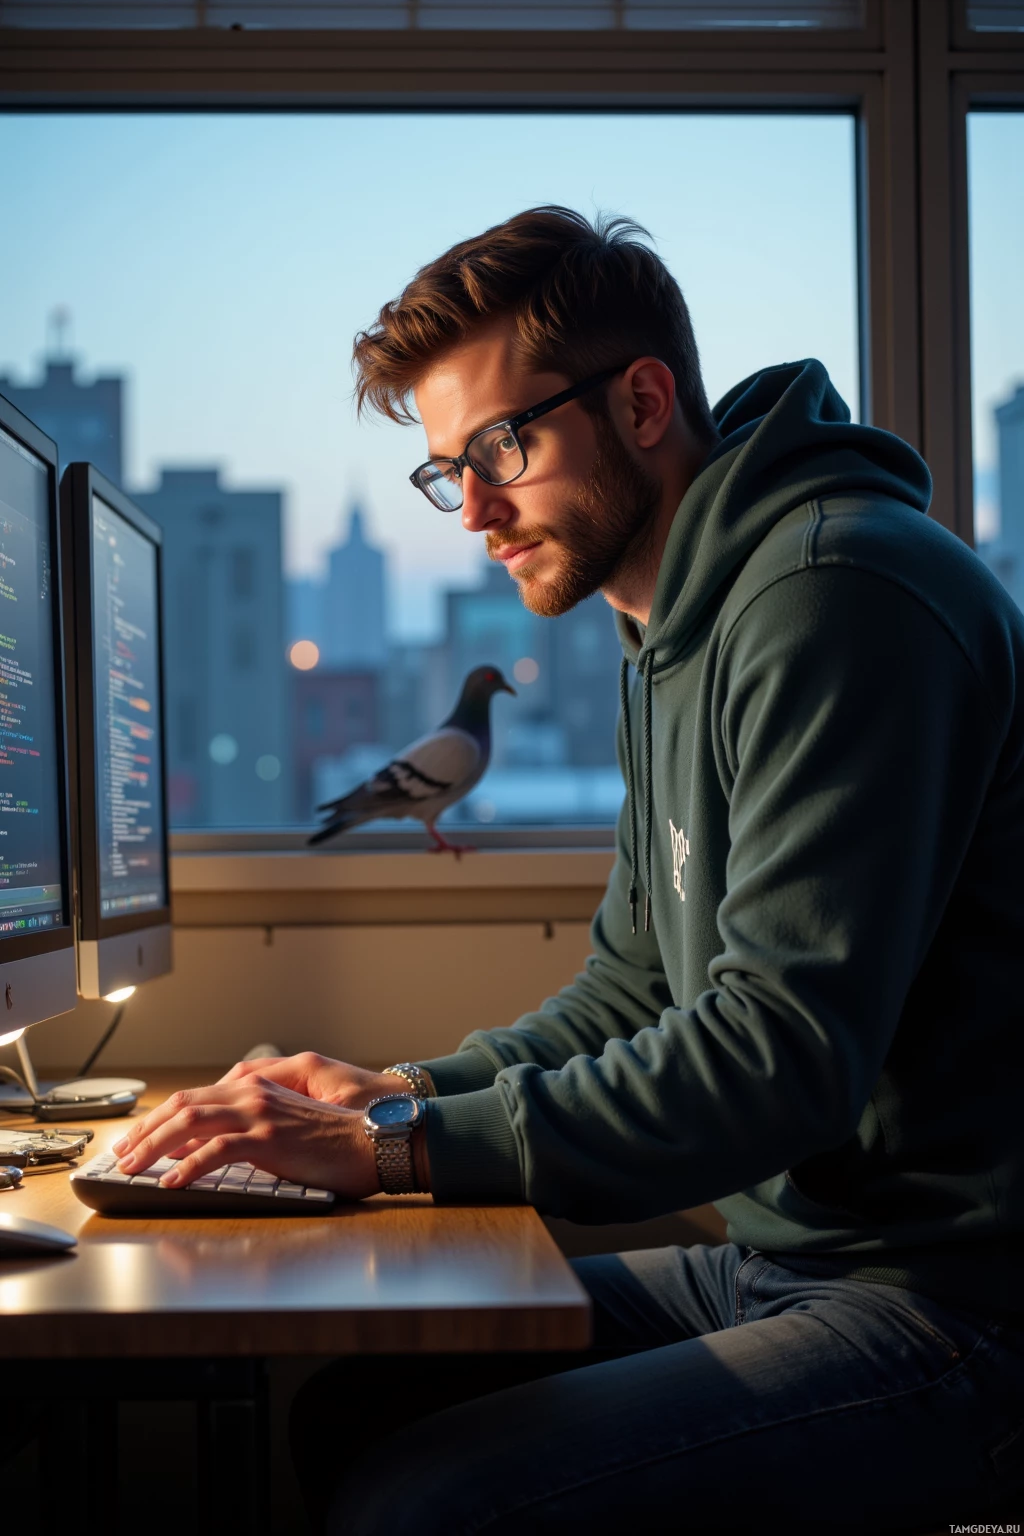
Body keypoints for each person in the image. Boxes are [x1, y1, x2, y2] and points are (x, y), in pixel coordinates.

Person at [112, 208, 1024, 1532]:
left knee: (427, 1505)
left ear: (643, 399)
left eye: (503, 449)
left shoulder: (836, 595)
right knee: (362, 1399)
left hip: (955, 1307)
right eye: (447, 472)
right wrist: (397, 1090)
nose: (474, 511)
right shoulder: (666, 626)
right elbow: (633, 989)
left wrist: (396, 1148)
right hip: (790, 1265)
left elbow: (779, 1057)